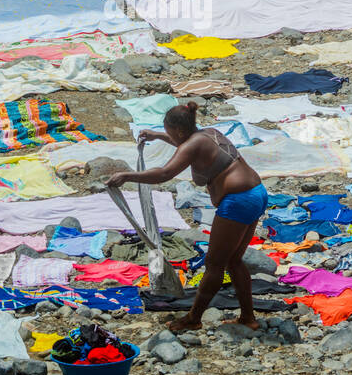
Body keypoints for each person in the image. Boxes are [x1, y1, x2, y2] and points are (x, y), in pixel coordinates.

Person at [106, 102, 268, 331]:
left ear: (179, 131)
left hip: (238, 201)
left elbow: (164, 173)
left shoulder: (192, 144)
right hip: (256, 192)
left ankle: (194, 318)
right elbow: (185, 145)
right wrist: (160, 136)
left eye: (170, 132)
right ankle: (248, 318)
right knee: (233, 261)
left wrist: (128, 176)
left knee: (214, 264)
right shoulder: (209, 134)